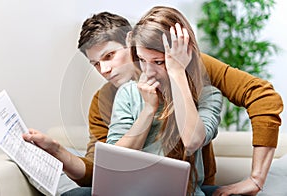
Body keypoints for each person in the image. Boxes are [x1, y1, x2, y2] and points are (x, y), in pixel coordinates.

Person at [23, 8, 283, 196]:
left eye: (110, 56)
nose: (104, 70)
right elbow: (102, 167)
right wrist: (59, 151)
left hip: (188, 186)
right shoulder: (110, 98)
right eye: (95, 64)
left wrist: (256, 178)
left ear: (130, 41)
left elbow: (261, 96)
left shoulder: (196, 72)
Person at [106, 6, 222, 195]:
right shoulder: (129, 93)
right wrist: (148, 110)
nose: (149, 71)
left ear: (185, 55)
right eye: (142, 60)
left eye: (159, 62)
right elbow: (114, 160)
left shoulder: (208, 96)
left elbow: (192, 141)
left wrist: (177, 71)